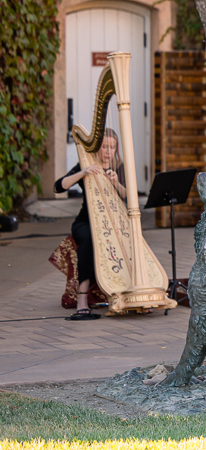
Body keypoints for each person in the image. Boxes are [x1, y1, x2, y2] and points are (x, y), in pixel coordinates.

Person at [53, 128, 126, 321]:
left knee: (129, 239)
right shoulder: (87, 164)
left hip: (113, 223)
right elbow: (59, 186)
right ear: (97, 148)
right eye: (105, 147)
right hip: (85, 222)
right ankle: (82, 297)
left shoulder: (119, 168)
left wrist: (116, 183)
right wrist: (83, 172)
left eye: (112, 147)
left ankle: (128, 292)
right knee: (90, 238)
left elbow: (128, 197)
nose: (109, 151)